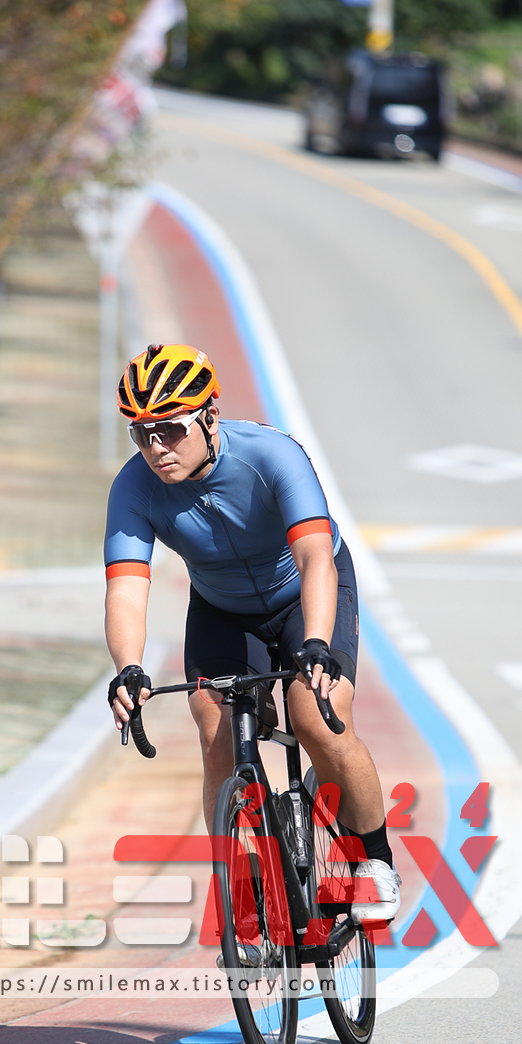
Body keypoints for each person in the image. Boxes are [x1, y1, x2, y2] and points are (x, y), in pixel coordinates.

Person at [102, 342, 399, 921]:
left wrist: (316, 644)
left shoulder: (272, 455)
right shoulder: (133, 488)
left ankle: (375, 861)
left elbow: (315, 557)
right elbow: (126, 589)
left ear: (210, 416)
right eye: (141, 434)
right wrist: (128, 668)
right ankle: (245, 881)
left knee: (316, 718)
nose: (156, 448)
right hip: (222, 607)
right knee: (215, 726)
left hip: (305, 593)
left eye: (170, 429)